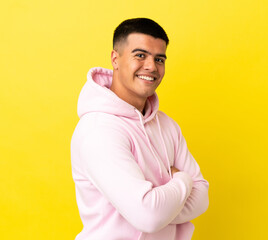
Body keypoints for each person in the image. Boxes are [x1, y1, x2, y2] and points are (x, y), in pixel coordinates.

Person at [71, 18, 209, 240]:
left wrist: (157, 205)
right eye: (140, 55)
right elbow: (149, 216)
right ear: (115, 59)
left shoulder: (167, 125)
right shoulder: (99, 130)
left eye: (159, 59)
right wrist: (183, 180)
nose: (151, 67)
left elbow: (202, 197)